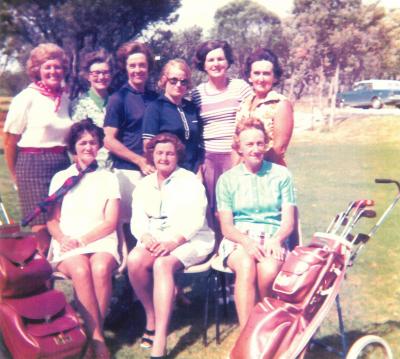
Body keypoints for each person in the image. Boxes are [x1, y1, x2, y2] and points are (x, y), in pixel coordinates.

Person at [127, 133, 214, 358]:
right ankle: (151, 318)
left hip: (190, 239)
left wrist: (173, 241)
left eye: (169, 153)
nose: (164, 157)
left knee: (162, 265)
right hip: (156, 237)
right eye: (159, 153)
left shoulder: (190, 182)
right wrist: (145, 237)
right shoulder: (144, 184)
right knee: (135, 260)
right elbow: (137, 219)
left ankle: (161, 337)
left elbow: (195, 219)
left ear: (177, 156)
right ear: (152, 155)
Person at [47, 119, 120, 359]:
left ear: (99, 145)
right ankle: (97, 339)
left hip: (101, 239)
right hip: (68, 242)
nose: (88, 147)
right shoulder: (61, 178)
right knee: (80, 269)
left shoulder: (108, 178)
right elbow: (52, 221)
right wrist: (64, 238)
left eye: (93, 142)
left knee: (99, 268)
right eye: (82, 143)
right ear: (73, 147)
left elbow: (110, 222)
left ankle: (89, 336)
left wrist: (83, 240)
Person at [216, 118, 296, 329]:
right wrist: (247, 242)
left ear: (266, 144)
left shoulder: (282, 175)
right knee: (245, 264)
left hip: (272, 236)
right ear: (239, 147)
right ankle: (247, 333)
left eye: (259, 143)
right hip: (238, 237)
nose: (255, 149)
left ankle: (264, 321)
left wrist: (277, 239)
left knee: (268, 271)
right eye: (249, 144)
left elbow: (288, 221)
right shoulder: (227, 179)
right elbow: (227, 227)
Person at [3, 43, 72, 255]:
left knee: (63, 223)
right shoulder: (26, 98)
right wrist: (16, 177)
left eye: (57, 67)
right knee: (41, 228)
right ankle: (42, 281)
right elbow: (9, 141)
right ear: (37, 70)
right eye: (47, 67)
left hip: (61, 165)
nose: (53, 72)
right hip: (32, 167)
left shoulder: (65, 97)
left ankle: (61, 274)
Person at [191, 39, 252, 240]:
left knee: (237, 207)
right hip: (209, 158)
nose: (216, 64)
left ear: (227, 62)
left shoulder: (240, 87)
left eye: (220, 59)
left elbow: (251, 121)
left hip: (236, 157)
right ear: (203, 64)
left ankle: (238, 250)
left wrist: (242, 158)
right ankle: (216, 254)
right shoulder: (197, 93)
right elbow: (196, 129)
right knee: (212, 209)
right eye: (211, 60)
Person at [103, 40, 157, 243]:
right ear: (125, 68)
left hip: (153, 172)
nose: (137, 70)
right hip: (128, 171)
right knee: (129, 225)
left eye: (142, 65)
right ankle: (126, 273)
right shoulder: (119, 98)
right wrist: (139, 161)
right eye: (132, 65)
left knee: (151, 223)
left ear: (149, 67)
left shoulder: (155, 98)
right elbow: (108, 140)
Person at [236, 48, 294, 166]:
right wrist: (234, 173)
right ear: (249, 77)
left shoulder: (281, 104)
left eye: (266, 74)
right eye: (257, 73)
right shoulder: (244, 104)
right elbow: (236, 144)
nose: (261, 79)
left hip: (269, 172)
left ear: (275, 77)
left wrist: (254, 171)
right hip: (243, 173)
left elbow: (279, 148)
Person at [143, 59, 202, 173]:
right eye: (173, 80)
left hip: (192, 171)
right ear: (164, 81)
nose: (178, 85)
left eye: (183, 81)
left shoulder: (191, 108)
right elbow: (148, 145)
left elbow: (197, 144)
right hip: (167, 172)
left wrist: (199, 171)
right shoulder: (155, 108)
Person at [70, 49, 114, 167]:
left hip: (117, 167)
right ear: (88, 76)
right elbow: (76, 140)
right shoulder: (79, 104)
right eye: (96, 73)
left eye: (106, 72)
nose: (101, 77)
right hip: (90, 167)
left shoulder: (118, 101)